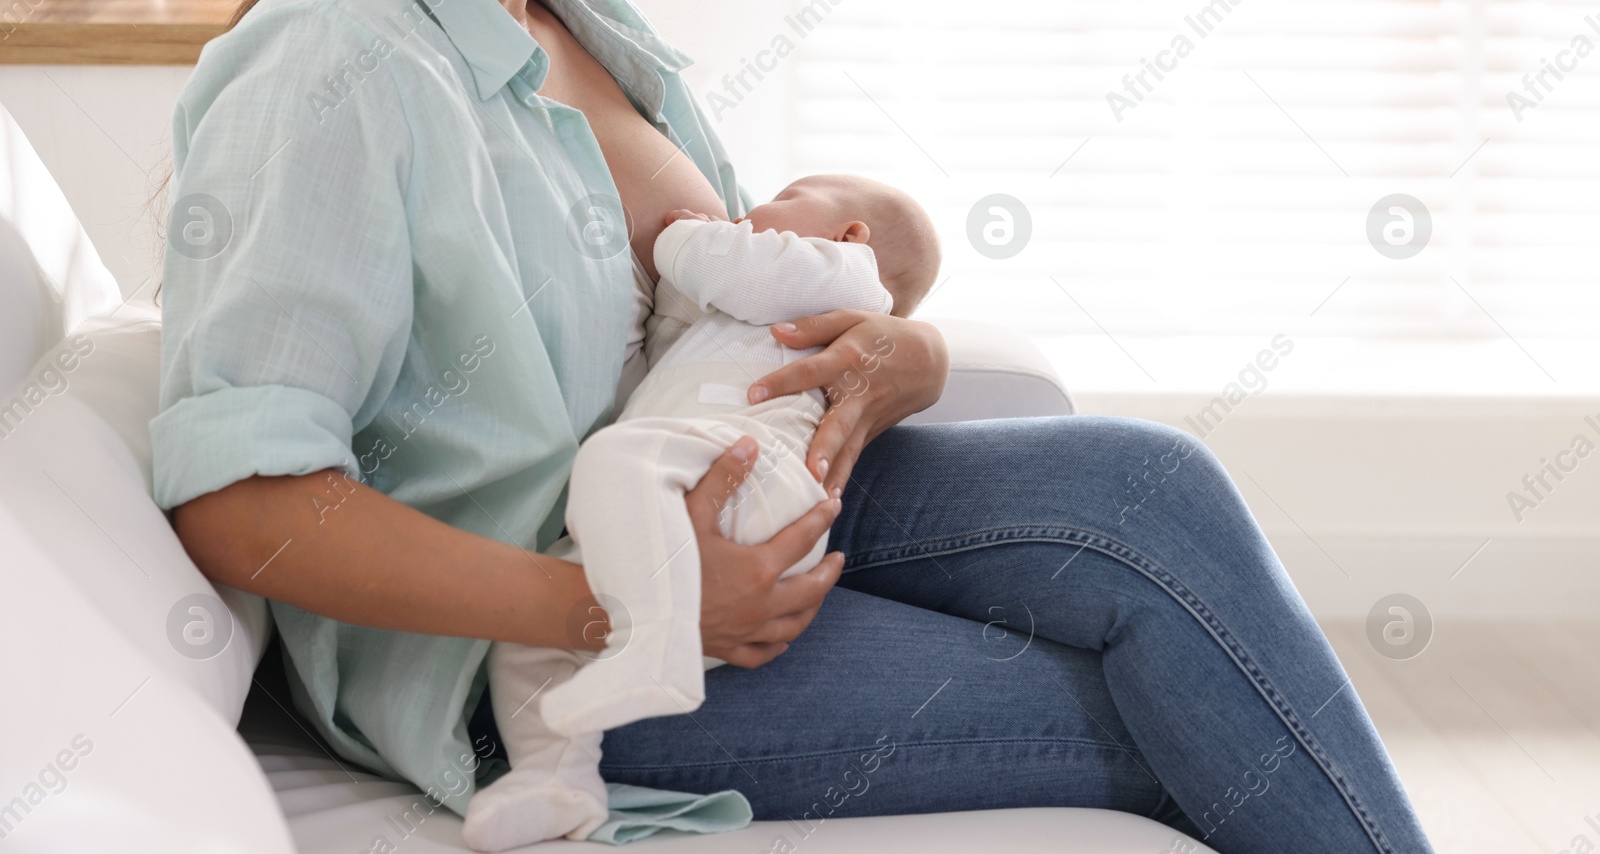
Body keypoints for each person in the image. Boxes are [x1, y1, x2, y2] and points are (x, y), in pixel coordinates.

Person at [153, 0, 1436, 850]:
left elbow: (745, 289)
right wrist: (616, 605)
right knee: (1183, 710)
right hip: (539, 646)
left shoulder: (580, 22)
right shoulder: (328, 58)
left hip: (741, 478)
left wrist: (901, 351)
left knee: (1153, 483)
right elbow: (240, 499)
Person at [466, 177, 938, 850]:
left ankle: (657, 647)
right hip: (680, 500)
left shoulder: (849, 278)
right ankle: (556, 781)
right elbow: (677, 340)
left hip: (757, 474)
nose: (753, 208)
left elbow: (739, 276)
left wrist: (681, 237)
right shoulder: (753, 305)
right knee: (526, 643)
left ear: (850, 233)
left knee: (613, 456)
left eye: (791, 191)